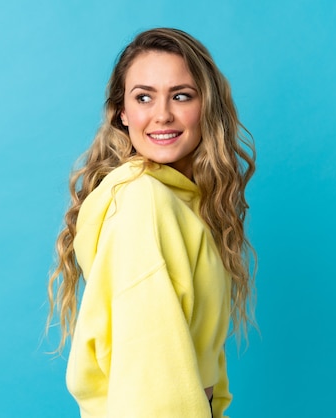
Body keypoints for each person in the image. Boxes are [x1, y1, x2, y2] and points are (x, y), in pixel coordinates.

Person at [47, 28, 256, 418]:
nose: (162, 114)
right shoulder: (143, 201)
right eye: (144, 97)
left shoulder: (181, 200)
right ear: (122, 112)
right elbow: (151, 368)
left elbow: (198, 352)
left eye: (181, 96)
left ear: (206, 105)